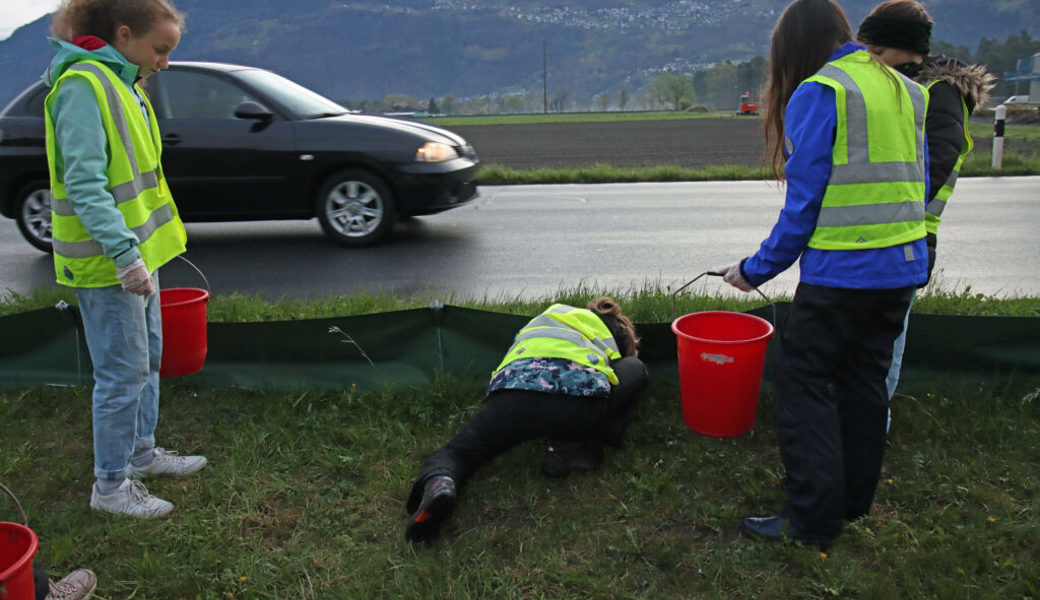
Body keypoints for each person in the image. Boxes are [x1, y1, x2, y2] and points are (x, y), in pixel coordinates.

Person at [714, 0, 929, 547]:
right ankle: (852, 502)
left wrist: (753, 270)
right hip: (900, 270)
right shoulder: (908, 90)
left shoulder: (823, 91)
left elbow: (803, 207)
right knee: (863, 384)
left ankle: (811, 521)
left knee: (803, 384)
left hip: (841, 276)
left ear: (794, 47)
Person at [45, 0, 206, 519]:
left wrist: (143, 254)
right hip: (107, 262)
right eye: (159, 49)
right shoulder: (82, 87)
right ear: (123, 34)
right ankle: (111, 487)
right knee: (121, 372)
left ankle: (141, 453)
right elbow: (86, 186)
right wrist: (122, 254)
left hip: (138, 256)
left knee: (147, 360)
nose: (164, 62)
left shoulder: (124, 84)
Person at [404, 297, 650, 542]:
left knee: (457, 453)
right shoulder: (612, 331)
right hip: (574, 400)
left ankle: (441, 481)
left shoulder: (549, 316)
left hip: (512, 395)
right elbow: (624, 365)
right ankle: (570, 449)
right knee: (635, 368)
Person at [856, 0, 995, 426]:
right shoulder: (901, 88)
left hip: (908, 243)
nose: (872, 62)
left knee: (882, 351)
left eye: (878, 53)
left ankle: (871, 432)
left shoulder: (939, 97)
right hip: (872, 240)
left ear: (905, 49)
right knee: (861, 346)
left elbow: (928, 173)